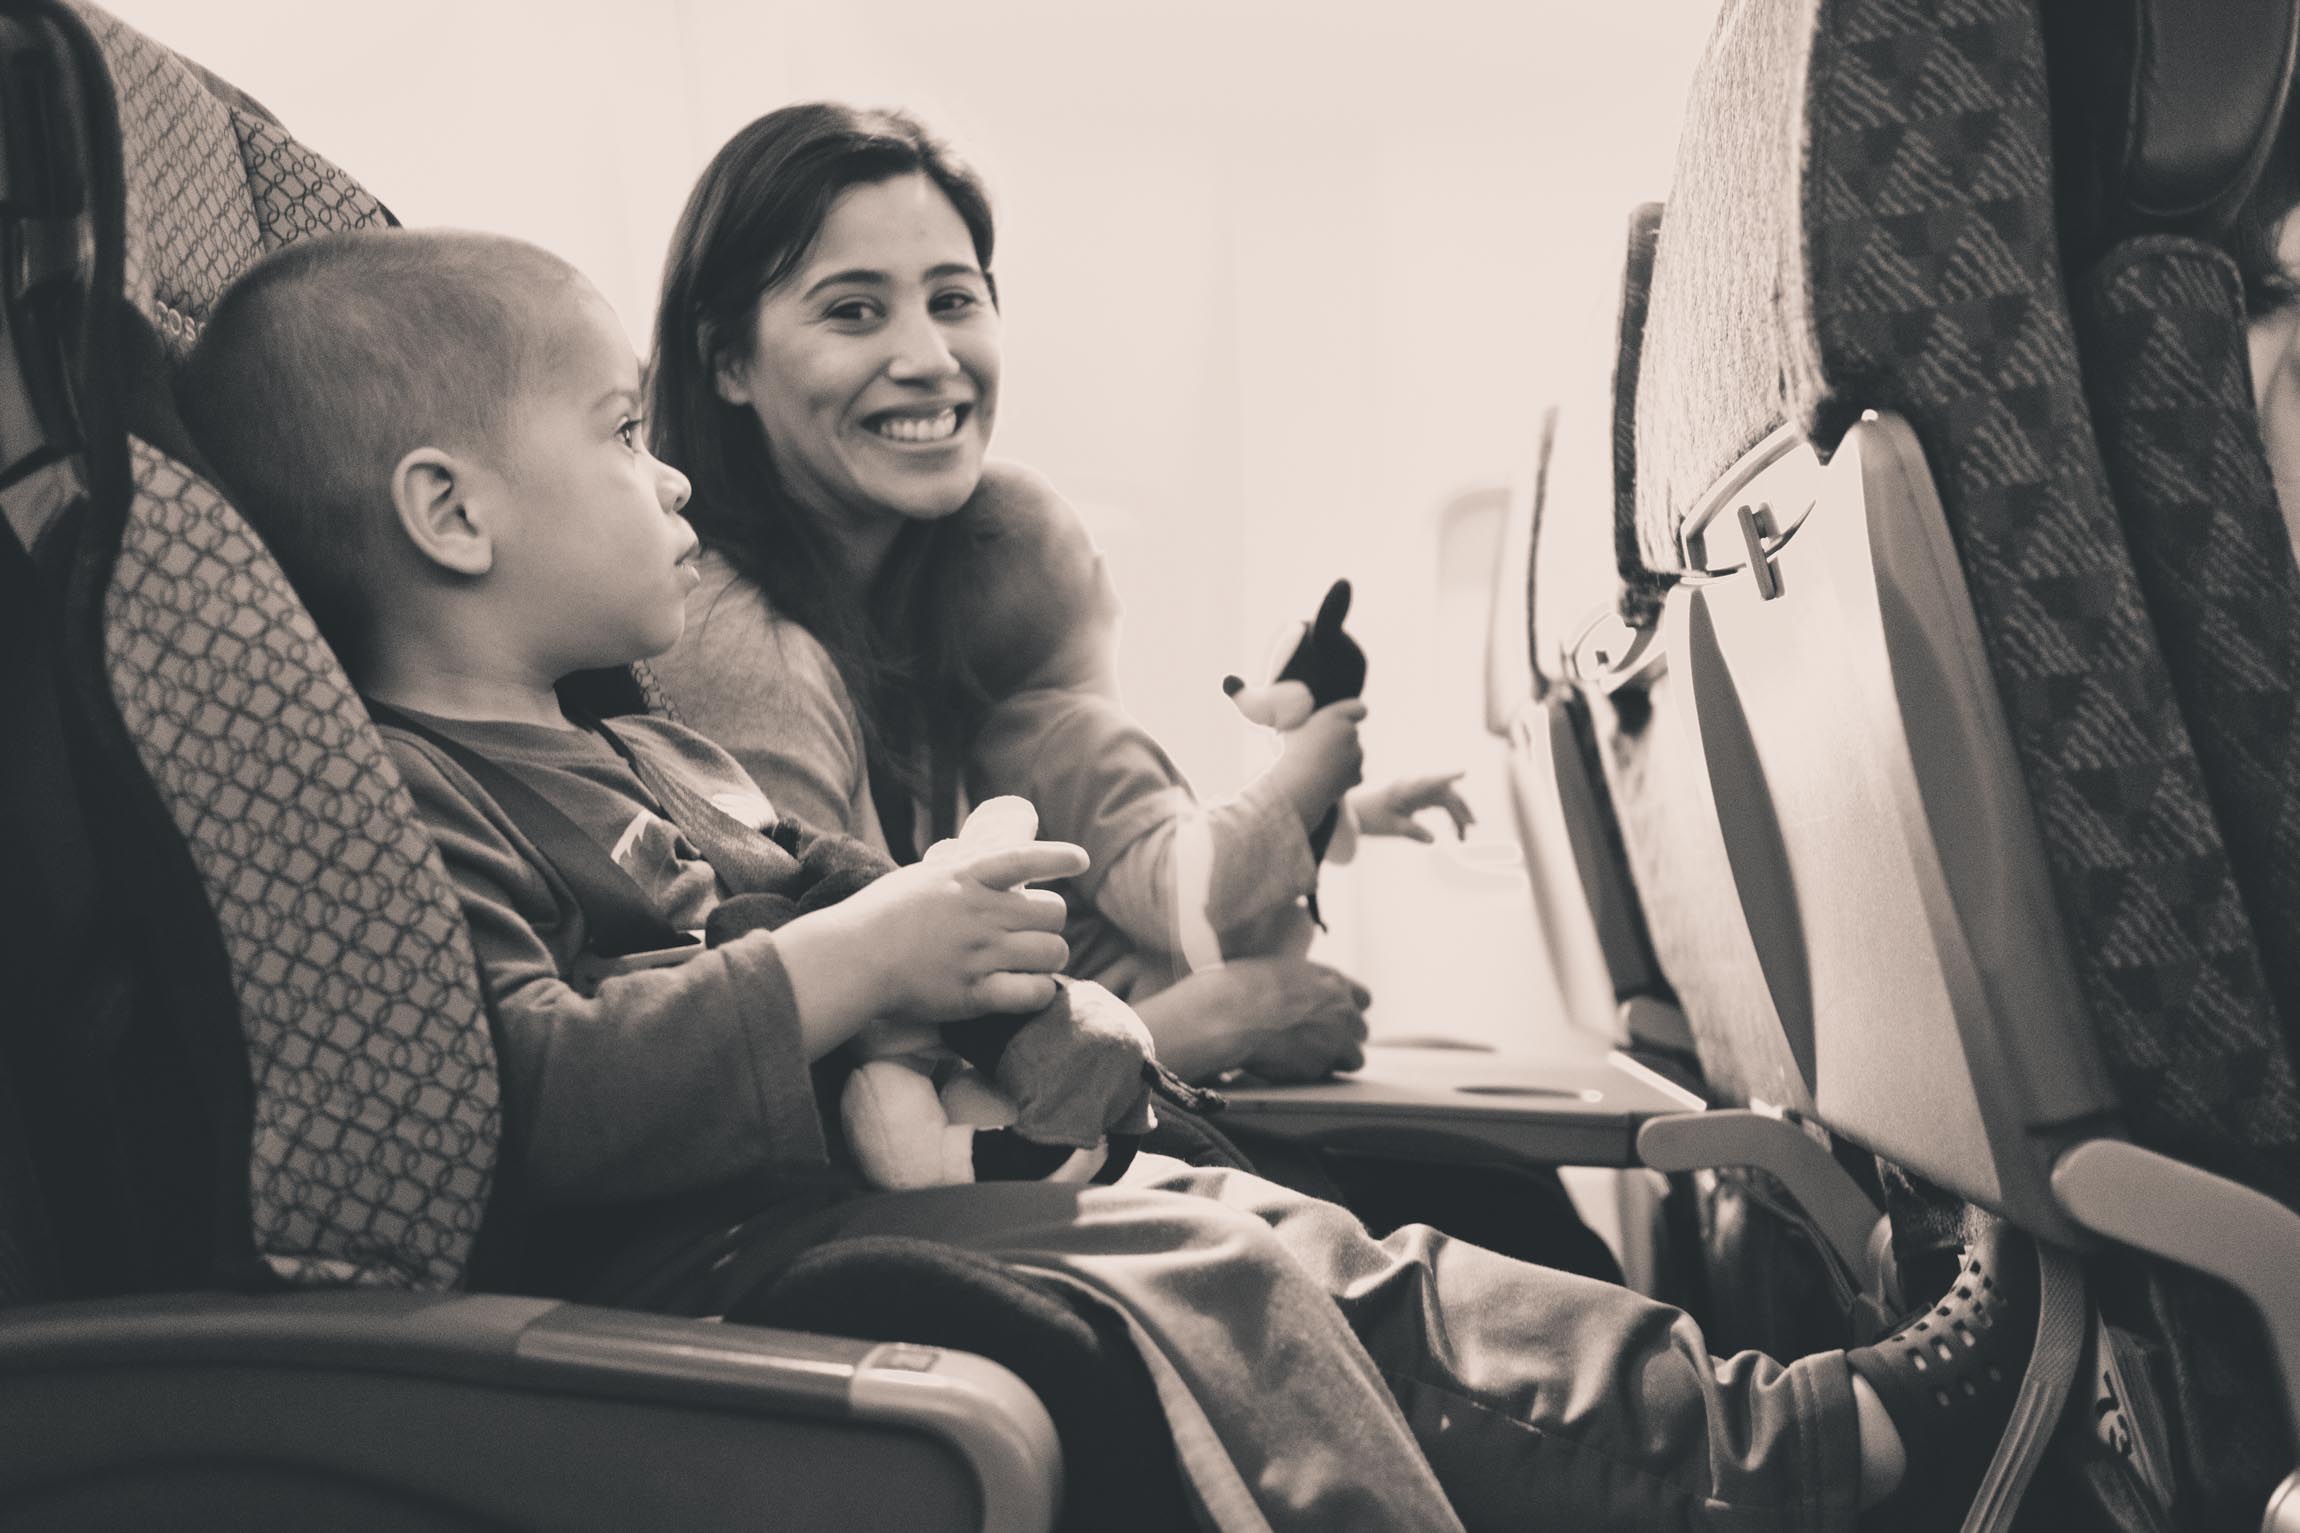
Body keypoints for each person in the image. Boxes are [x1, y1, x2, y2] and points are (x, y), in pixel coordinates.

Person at [173, 215, 2042, 1530]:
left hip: (866, 1194)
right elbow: (534, 1092)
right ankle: (1791, 1459)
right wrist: (855, 963)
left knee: (1301, 1237)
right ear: (451, 512)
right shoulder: (419, 800)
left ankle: (1783, 1429)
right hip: (720, 1266)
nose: (669, 484)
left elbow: (850, 889)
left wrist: (997, 954)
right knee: (1219, 1269)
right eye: (622, 436)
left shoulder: (651, 748)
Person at [639, 105, 1464, 1091]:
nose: (929, 358)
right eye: (853, 311)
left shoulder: (941, 596)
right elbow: (853, 1080)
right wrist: (1210, 1022)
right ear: (728, 359)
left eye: (954, 299)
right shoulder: (732, 639)